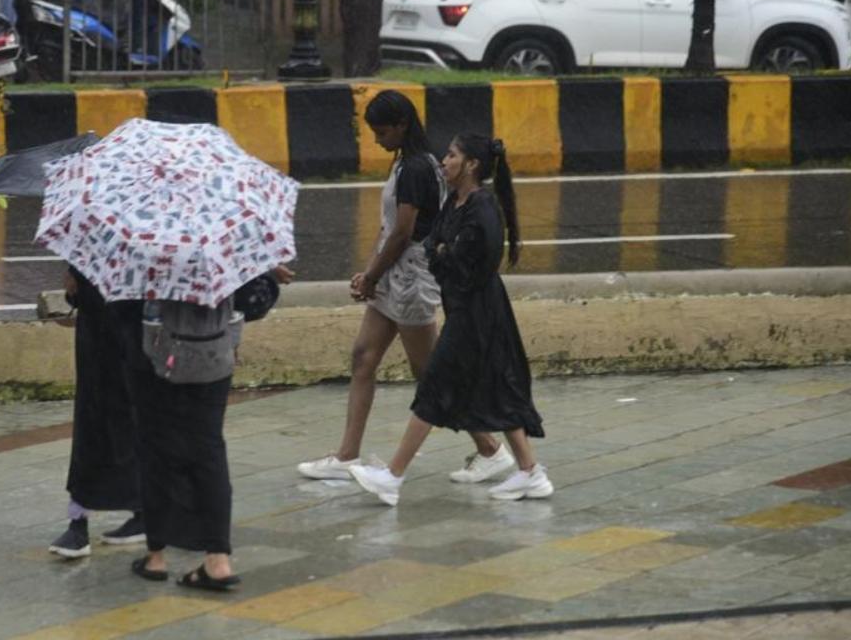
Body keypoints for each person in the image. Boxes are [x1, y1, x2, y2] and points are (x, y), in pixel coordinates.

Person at [297, 91, 515, 486]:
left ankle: (491, 449)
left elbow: (401, 233)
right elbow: (389, 232)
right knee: (364, 357)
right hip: (393, 277)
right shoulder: (413, 163)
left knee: (431, 373)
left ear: (401, 125)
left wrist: (371, 277)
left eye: (382, 132)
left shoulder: (416, 167)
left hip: (410, 280)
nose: (378, 140)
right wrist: (371, 274)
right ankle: (347, 455)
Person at [349, 135, 553, 506]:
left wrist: (445, 253)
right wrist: (445, 252)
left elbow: (472, 263)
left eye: (452, 155)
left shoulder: (483, 207)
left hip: (478, 312)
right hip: (463, 306)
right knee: (497, 386)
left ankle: (392, 477)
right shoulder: (456, 203)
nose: (444, 161)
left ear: (471, 164)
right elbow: (435, 247)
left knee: (433, 388)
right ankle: (530, 472)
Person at [130, 269, 291, 591]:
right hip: (215, 353)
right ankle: (217, 558)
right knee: (209, 451)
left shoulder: (150, 234)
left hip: (160, 354)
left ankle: (156, 555)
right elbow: (253, 302)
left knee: (156, 449)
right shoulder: (224, 234)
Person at [48, 266, 145, 558]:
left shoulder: (107, 238)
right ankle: (140, 510)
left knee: (103, 429)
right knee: (118, 426)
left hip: (120, 345)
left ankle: (80, 524)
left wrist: (76, 285)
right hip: (112, 344)